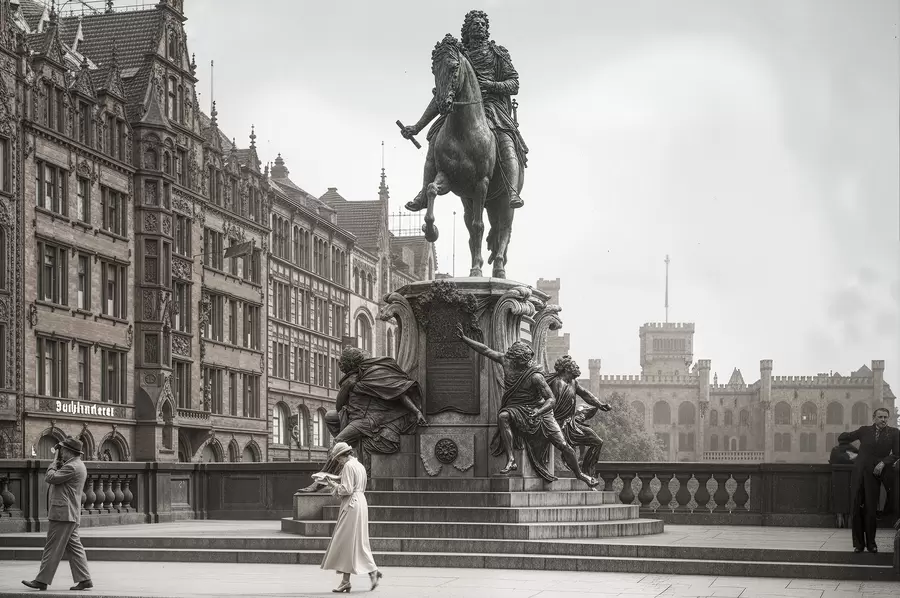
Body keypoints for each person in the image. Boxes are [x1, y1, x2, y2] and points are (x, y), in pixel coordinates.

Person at [401, 9, 529, 211]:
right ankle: (424, 192)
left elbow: (514, 84)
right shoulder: (460, 57)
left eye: (482, 24)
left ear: (487, 29)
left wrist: (492, 85)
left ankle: (512, 190)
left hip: (492, 106)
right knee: (435, 138)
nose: (479, 26)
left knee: (506, 139)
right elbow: (443, 92)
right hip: (460, 106)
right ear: (467, 30)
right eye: (474, 24)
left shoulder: (498, 54)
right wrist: (417, 127)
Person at [456, 324, 598, 489]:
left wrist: (539, 412)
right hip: (516, 407)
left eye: (528, 360)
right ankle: (511, 459)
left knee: (563, 444)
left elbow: (551, 400)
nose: (528, 362)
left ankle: (580, 474)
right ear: (517, 360)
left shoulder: (536, 376)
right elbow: (486, 350)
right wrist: (464, 339)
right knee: (503, 417)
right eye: (524, 360)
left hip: (540, 411)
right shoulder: (506, 361)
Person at [299, 347, 426, 493]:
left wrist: (417, 412)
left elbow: (400, 392)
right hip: (355, 417)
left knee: (338, 443)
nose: (342, 368)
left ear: (350, 364)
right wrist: (346, 387)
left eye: (343, 365)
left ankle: (321, 482)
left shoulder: (374, 373)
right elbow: (339, 406)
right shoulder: (351, 378)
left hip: (370, 420)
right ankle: (345, 459)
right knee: (330, 417)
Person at [22, 436, 93, 592]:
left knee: (52, 547)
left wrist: (54, 461)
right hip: (69, 513)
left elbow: (50, 477)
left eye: (62, 450)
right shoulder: (76, 465)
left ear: (69, 451)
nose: (60, 453)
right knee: (74, 547)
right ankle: (85, 579)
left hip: (63, 514)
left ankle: (41, 581)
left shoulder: (72, 466)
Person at [319, 442, 382, 593]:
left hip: (351, 504)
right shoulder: (359, 465)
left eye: (338, 458)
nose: (338, 461)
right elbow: (356, 485)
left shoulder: (348, 466)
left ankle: (353, 579)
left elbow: (346, 489)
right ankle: (352, 578)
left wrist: (331, 484)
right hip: (361, 501)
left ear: (343, 455)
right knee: (356, 541)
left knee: (346, 541)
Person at [544, 355, 612, 479]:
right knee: (567, 449)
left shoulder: (574, 383)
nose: (577, 367)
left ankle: (587, 472)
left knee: (597, 442)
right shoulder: (555, 383)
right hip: (556, 424)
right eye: (574, 365)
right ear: (566, 368)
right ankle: (577, 471)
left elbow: (586, 394)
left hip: (570, 424)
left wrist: (599, 404)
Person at [846, 407, 899, 553]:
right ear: (874, 418)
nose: (883, 420)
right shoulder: (864, 430)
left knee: (871, 509)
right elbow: (844, 438)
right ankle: (858, 544)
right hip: (858, 473)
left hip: (874, 474)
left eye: (885, 417)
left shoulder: (894, 433)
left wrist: (883, 463)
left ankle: (871, 543)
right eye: (880, 417)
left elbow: (896, 454)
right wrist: (853, 454)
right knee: (856, 508)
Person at [828, 432, 858, 528]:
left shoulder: (835, 450)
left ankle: (839, 517)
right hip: (851, 477)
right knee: (850, 496)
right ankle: (849, 519)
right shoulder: (854, 450)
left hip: (837, 477)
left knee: (838, 496)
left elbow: (831, 461)